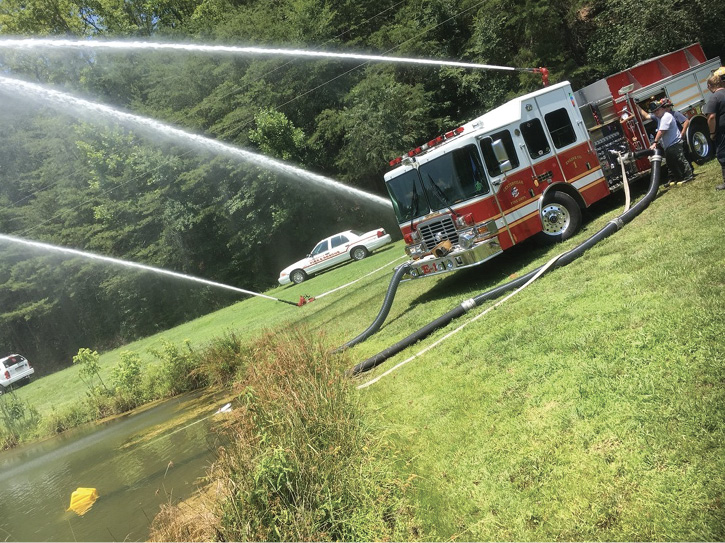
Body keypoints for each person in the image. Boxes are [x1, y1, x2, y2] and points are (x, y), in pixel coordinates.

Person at [648, 99, 694, 186]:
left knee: (680, 160)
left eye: (657, 110)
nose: (656, 112)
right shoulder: (659, 118)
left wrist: (655, 143)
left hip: (674, 143)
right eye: (654, 111)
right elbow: (647, 116)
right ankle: (679, 178)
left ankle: (688, 176)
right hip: (668, 145)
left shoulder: (666, 117)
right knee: (671, 163)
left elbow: (661, 131)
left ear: (662, 108)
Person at [703, 72, 725, 191]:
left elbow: (711, 117)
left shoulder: (714, 97)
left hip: (722, 132)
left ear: (710, 86)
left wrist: (712, 133)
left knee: (722, 155)